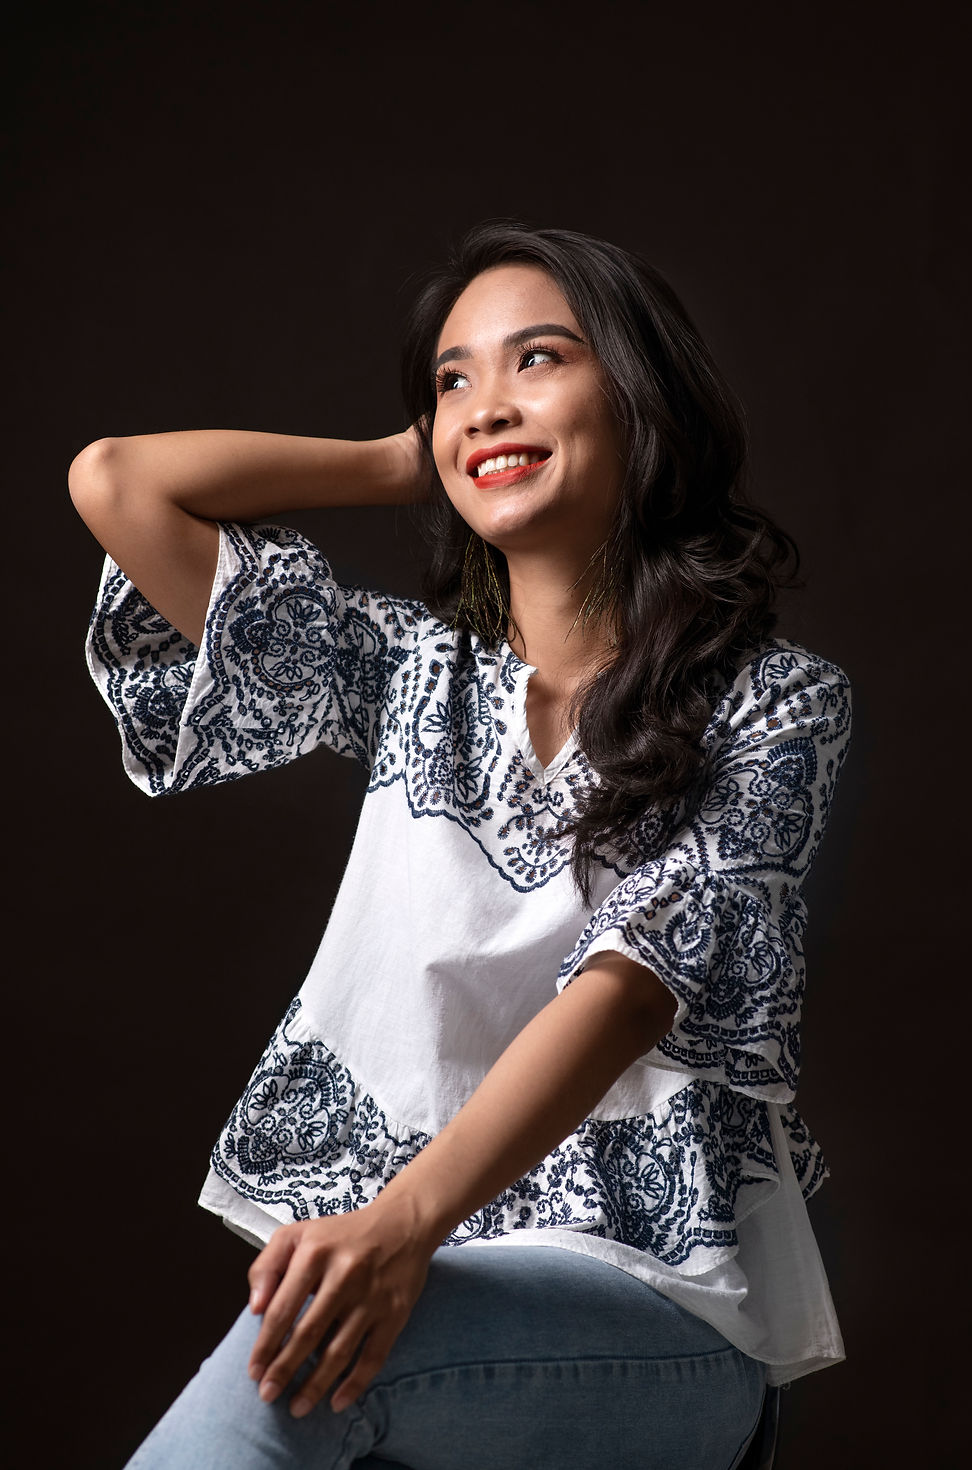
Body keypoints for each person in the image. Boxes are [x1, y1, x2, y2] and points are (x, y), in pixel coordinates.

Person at [71, 222, 851, 1470]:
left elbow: (628, 991)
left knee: (298, 1366)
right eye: (451, 380)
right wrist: (406, 459)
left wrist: (399, 1226)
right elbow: (119, 481)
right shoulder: (408, 675)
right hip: (429, 1281)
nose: (485, 404)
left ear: (642, 397)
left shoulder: (772, 701)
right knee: (318, 1351)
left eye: (535, 360)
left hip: (665, 1313)